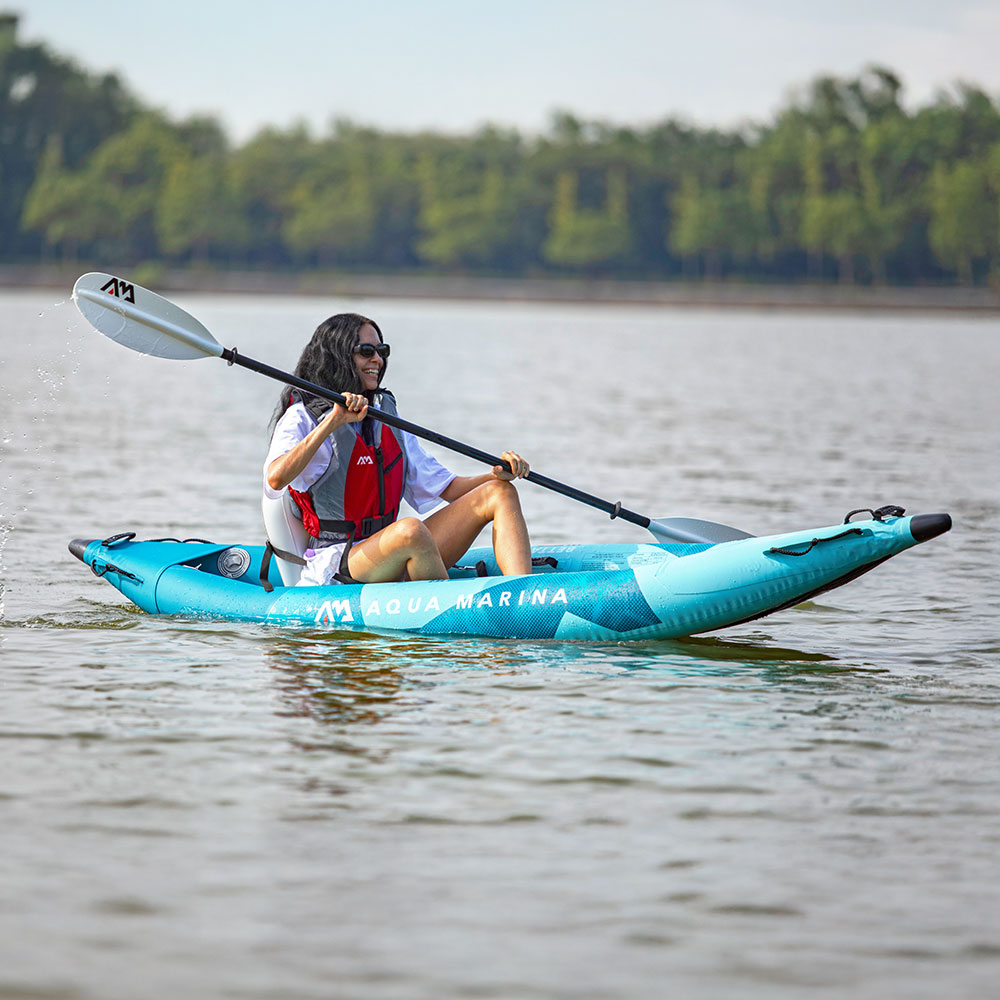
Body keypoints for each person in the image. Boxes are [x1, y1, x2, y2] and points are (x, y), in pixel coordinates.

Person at [264, 312, 531, 586]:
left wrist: (496, 475)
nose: (377, 360)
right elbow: (275, 479)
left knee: (500, 493)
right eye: (366, 351)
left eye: (381, 351)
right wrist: (333, 422)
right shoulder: (303, 417)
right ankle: (451, 604)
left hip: (392, 549)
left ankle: (522, 593)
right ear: (338, 355)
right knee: (410, 530)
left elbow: (449, 488)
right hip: (340, 560)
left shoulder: (384, 415)